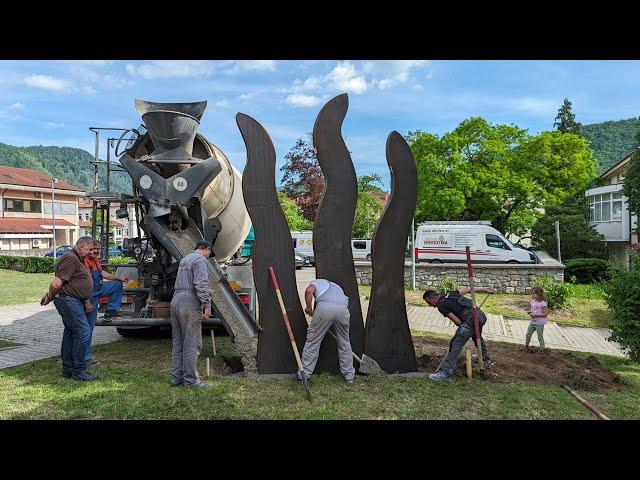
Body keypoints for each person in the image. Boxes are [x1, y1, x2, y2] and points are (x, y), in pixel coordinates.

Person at [40, 236, 99, 381]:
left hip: (72, 300)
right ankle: (78, 370)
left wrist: (85, 301)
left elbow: (76, 282)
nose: (92, 252)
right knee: (83, 331)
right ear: (81, 247)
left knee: (71, 333)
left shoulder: (77, 258)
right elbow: (56, 284)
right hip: (68, 300)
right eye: (90, 249)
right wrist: (50, 296)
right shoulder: (70, 258)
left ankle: (68, 370)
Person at [422, 286, 495, 382]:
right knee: (476, 337)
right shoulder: (450, 293)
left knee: (455, 343)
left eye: (429, 302)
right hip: (480, 315)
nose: (430, 305)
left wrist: (463, 329)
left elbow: (457, 321)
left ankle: (446, 373)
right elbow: (466, 289)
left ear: (434, 298)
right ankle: (486, 360)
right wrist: (485, 289)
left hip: (470, 319)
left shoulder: (441, 305)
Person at [170, 240, 213, 388]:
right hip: (189, 302)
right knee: (192, 343)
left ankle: (176, 379)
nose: (208, 256)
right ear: (206, 249)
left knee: (178, 343)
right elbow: (200, 283)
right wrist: (207, 304)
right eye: (209, 253)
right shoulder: (200, 260)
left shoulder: (185, 259)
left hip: (175, 300)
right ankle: (191, 381)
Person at [298, 278, 355, 384]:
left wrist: (309, 308)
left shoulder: (316, 282)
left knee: (313, 341)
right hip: (343, 311)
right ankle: (349, 376)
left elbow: (309, 291)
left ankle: (304, 375)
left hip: (325, 309)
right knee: (344, 343)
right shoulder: (337, 286)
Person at [84, 240, 128, 366]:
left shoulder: (95, 260)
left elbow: (102, 273)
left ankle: (111, 311)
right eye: (93, 249)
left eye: (97, 249)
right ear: (87, 248)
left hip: (98, 290)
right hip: (89, 296)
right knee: (87, 328)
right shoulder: (84, 261)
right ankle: (85, 357)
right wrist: (87, 301)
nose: (95, 251)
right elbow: (86, 281)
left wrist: (118, 277)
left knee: (116, 285)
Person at [524, 286, 549, 355]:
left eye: (533, 293)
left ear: (539, 294)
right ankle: (526, 346)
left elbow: (545, 314)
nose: (532, 295)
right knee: (528, 334)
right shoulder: (532, 301)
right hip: (532, 322)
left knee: (540, 336)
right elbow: (533, 310)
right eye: (531, 293)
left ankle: (542, 350)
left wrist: (535, 315)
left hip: (539, 323)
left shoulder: (543, 303)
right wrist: (529, 311)